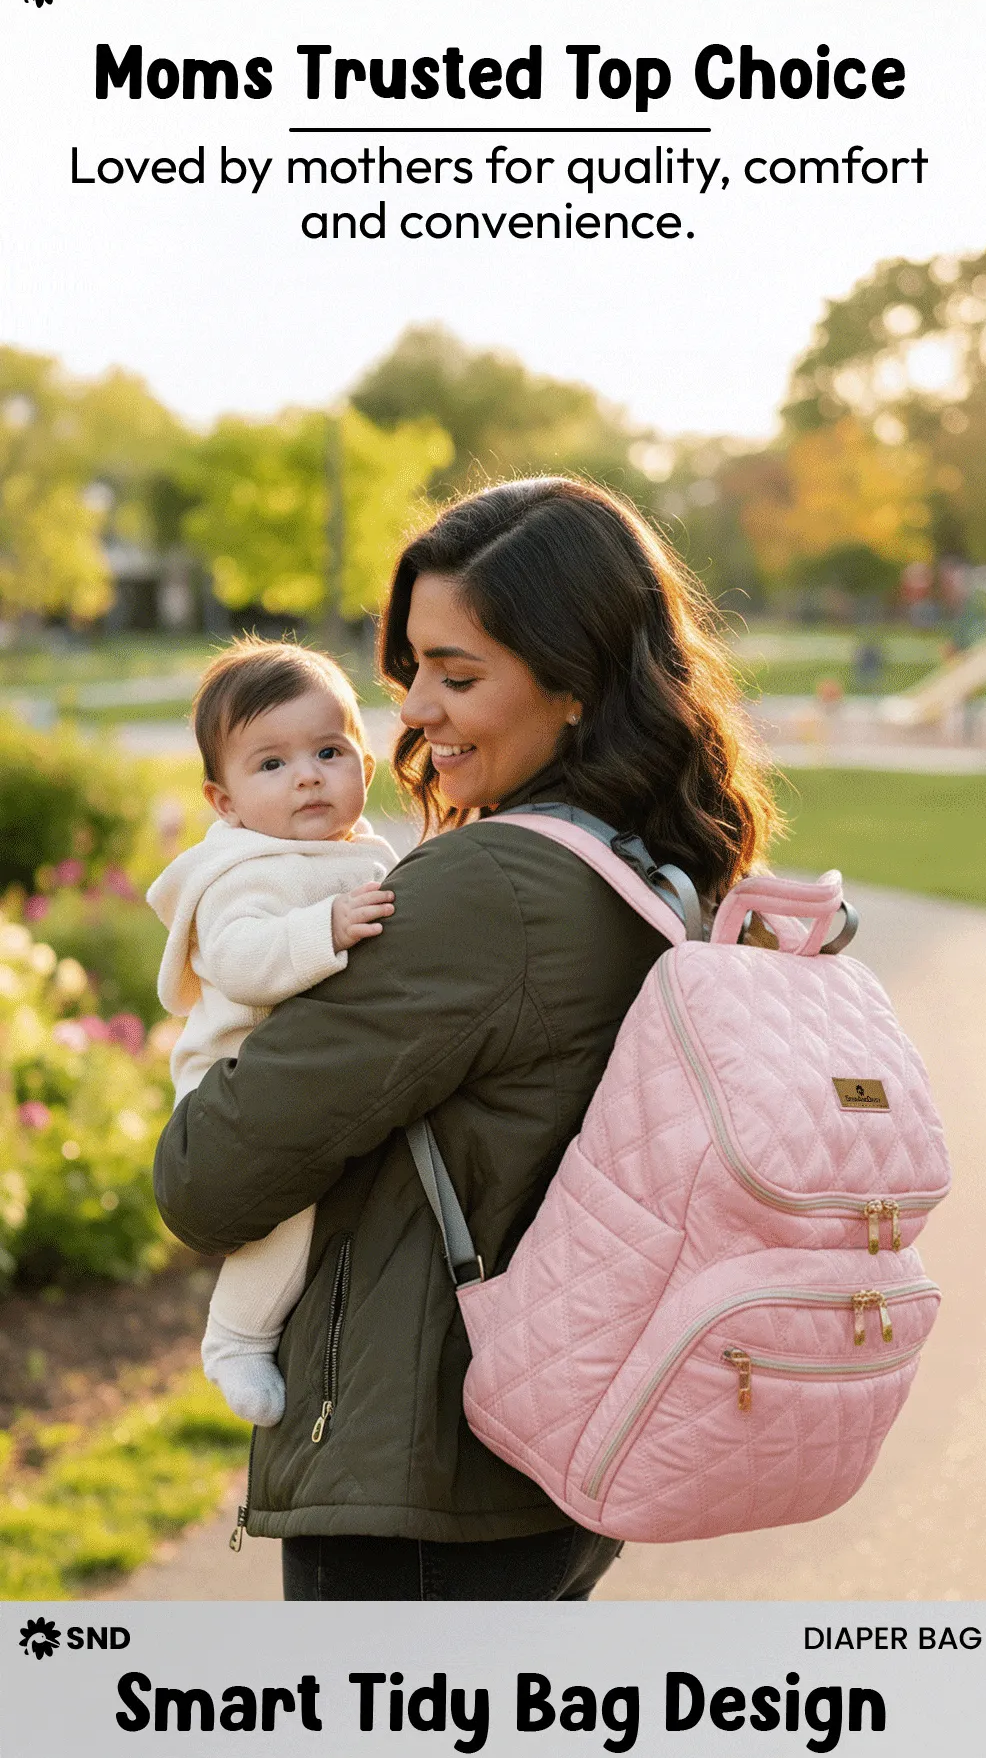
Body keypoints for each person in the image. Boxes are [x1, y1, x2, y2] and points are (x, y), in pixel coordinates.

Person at [153, 477, 773, 1602]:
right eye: (412, 672)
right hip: (543, 1455)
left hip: (419, 1478)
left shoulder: (489, 889)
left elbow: (205, 1177)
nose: (416, 712)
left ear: (574, 683)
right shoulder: (650, 866)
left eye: (459, 674)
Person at [149, 638, 394, 1432]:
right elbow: (242, 961)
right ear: (224, 803)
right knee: (288, 1214)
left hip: (314, 1076)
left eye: (329, 752)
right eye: (272, 764)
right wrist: (325, 927)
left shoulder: (358, 854)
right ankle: (235, 1338)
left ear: (365, 764)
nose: (308, 776)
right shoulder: (245, 871)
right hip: (235, 1083)